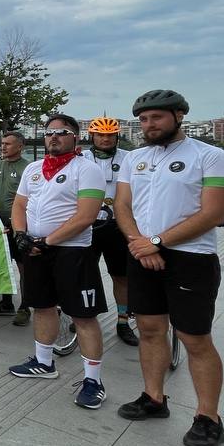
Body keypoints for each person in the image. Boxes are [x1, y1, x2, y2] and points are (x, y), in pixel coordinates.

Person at [114, 90, 224, 446]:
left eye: (157, 117)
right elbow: (122, 205)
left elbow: (213, 213)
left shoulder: (211, 156)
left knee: (195, 338)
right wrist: (140, 243)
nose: (149, 125)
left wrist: (157, 242)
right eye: (143, 119)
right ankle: (154, 397)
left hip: (191, 258)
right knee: (150, 330)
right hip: (141, 253)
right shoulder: (134, 158)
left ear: (179, 115)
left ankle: (208, 418)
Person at [7, 114, 109, 411]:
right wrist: (21, 234)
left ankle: (93, 381)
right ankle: (43, 362)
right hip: (36, 249)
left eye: (62, 132)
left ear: (75, 137)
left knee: (83, 316)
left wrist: (47, 241)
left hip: (72, 251)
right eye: (49, 132)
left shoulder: (87, 169)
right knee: (42, 306)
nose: (54, 136)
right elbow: (20, 205)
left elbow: (86, 216)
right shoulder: (33, 168)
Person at [82, 116, 138, 346]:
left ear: (116, 136)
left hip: (118, 225)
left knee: (121, 276)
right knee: (85, 274)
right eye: (100, 135)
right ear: (92, 136)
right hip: (88, 224)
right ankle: (84, 314)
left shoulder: (129, 158)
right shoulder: (81, 158)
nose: (105, 139)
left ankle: (123, 321)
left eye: (110, 135)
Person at [0, 132, 33, 324]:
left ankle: (25, 308)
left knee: (23, 268)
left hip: (19, 226)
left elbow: (33, 198)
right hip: (0, 225)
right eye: (2, 143)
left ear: (20, 146)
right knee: (3, 266)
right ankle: (6, 303)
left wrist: (19, 225)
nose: (3, 147)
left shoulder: (27, 168)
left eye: (8, 144)